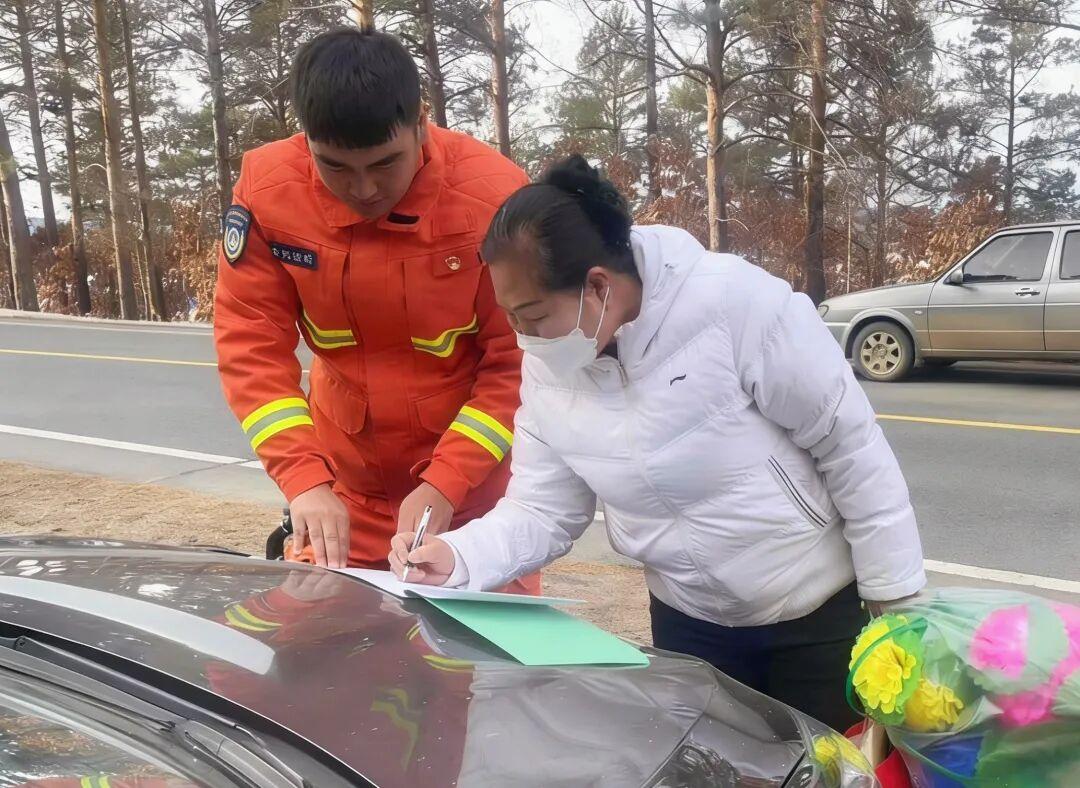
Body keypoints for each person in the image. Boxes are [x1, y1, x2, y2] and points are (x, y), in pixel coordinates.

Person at [390, 156, 927, 729]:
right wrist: (459, 557)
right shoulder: (550, 369)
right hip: (689, 625)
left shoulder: (735, 305)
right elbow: (542, 508)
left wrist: (895, 599)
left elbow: (850, 447)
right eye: (511, 318)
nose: (523, 338)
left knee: (828, 761)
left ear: (597, 286)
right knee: (711, 764)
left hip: (814, 616)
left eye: (534, 316)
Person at [214, 28, 538, 594]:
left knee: (477, 652)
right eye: (335, 167)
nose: (363, 189)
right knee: (316, 640)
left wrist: (447, 481)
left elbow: (516, 366)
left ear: (421, 123)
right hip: (340, 495)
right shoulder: (268, 195)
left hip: (471, 501)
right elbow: (251, 347)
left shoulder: (496, 201)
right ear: (306, 140)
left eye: (386, 163)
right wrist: (303, 479)